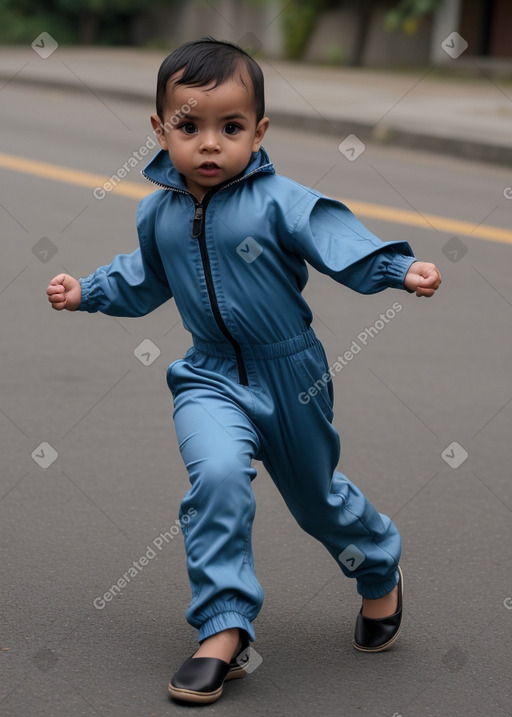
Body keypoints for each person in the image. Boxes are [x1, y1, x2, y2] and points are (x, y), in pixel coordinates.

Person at [46, 37, 441, 705]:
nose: (209, 144)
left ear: (258, 132)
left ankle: (377, 565)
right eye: (189, 126)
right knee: (219, 477)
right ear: (159, 128)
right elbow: (144, 278)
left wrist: (395, 269)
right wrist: (87, 289)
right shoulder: (158, 212)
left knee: (318, 500)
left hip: (291, 374)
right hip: (207, 376)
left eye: (230, 128)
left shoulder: (279, 201)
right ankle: (223, 628)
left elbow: (335, 236)